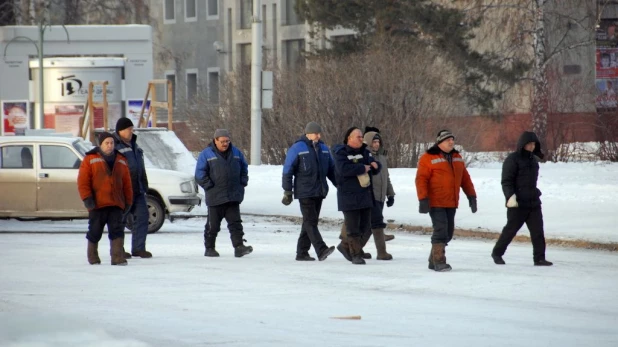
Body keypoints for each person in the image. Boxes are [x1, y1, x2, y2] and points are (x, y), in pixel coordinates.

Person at [415, 130, 477, 272]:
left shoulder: (457, 157)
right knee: (441, 230)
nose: (451, 142)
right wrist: (423, 198)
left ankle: (432, 260)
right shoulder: (428, 158)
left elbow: (465, 179)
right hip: (435, 202)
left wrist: (472, 197)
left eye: (452, 139)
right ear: (440, 142)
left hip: (451, 202)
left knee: (448, 233)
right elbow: (421, 179)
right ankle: (439, 261)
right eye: (447, 140)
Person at [491, 131, 553, 266]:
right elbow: (506, 181)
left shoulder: (533, 160)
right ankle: (497, 253)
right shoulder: (512, 159)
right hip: (517, 203)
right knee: (510, 231)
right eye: (529, 144)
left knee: (538, 232)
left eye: (533, 144)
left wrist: (535, 192)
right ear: (522, 144)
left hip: (533, 202)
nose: (532, 146)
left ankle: (539, 258)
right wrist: (510, 196)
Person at [281, 122, 337, 261]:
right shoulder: (297, 148)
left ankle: (302, 253)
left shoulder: (324, 148)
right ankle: (321, 249)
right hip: (304, 191)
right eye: (315, 133)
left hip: (319, 191)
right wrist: (288, 191)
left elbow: (331, 170)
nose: (318, 136)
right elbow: (287, 171)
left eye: (319, 133)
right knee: (310, 222)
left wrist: (340, 185)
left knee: (309, 222)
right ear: (308, 134)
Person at [78, 132, 133, 266]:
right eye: (106, 143)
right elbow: (83, 181)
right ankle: (93, 257)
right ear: (100, 144)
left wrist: (128, 201)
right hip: (98, 203)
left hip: (116, 203)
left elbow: (127, 182)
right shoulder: (90, 159)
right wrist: (87, 198)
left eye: (112, 143)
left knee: (117, 230)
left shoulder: (121, 159)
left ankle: (117, 257)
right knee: (95, 230)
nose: (109, 146)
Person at [195, 129, 253, 258]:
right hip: (215, 196)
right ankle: (209, 248)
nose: (225, 144)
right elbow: (199, 174)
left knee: (235, 223)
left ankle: (239, 247)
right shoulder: (206, 154)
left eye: (227, 141)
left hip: (233, 195)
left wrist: (242, 182)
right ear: (215, 141)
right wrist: (209, 186)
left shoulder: (236, 152)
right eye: (222, 141)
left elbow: (244, 168)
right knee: (213, 225)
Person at [333, 127, 381, 265]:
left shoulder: (365, 151)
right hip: (349, 196)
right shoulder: (341, 153)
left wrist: (375, 165)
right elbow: (342, 170)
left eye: (362, 137)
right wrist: (362, 168)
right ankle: (355, 254)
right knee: (353, 227)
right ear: (349, 138)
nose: (362, 139)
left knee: (365, 226)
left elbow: (374, 167)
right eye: (359, 137)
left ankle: (346, 246)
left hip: (365, 195)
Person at [113, 117, 152, 259]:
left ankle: (138, 248)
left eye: (132, 129)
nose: (131, 131)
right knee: (120, 220)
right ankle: (119, 249)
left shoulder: (135, 145)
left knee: (142, 217)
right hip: (123, 191)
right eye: (129, 129)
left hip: (138, 189)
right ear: (120, 131)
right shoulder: (115, 146)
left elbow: (140, 167)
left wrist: (144, 184)